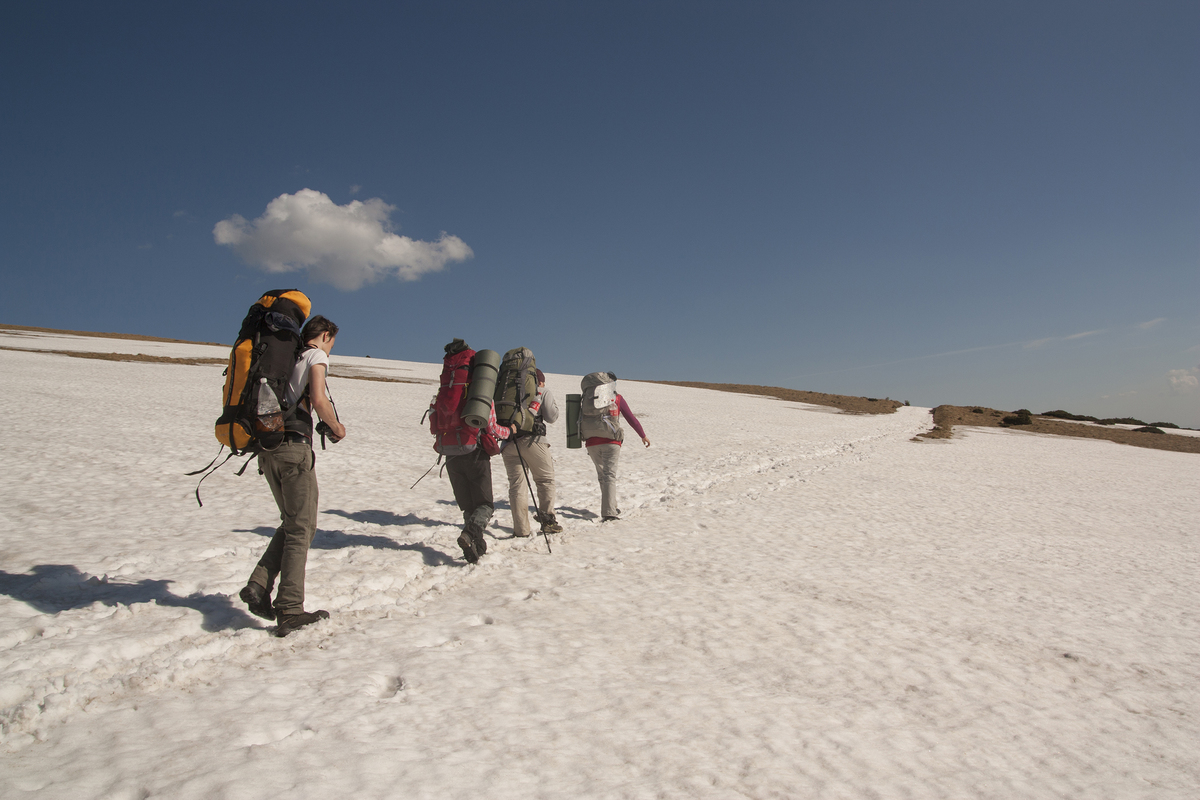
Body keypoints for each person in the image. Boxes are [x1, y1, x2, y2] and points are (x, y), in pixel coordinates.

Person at [239, 315, 346, 637]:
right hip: (294, 449)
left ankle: (259, 584)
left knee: (291, 521)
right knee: (302, 528)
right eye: (332, 342)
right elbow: (317, 398)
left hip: (267, 448)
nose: (331, 349)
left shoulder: (287, 358)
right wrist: (337, 427)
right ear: (325, 335)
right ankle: (289, 609)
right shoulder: (315, 355)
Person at [435, 341, 511, 564]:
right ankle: (470, 535)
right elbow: (492, 426)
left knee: (468, 506)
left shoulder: (447, 387)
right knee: (485, 505)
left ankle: (476, 545)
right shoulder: (479, 392)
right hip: (474, 452)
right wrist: (509, 432)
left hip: (449, 451)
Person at [578, 372, 649, 522]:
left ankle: (611, 506)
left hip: (591, 442)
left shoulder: (587, 398)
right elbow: (631, 418)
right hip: (611, 441)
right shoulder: (616, 398)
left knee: (602, 476)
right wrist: (642, 435)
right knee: (609, 475)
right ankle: (609, 512)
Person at [501, 368, 563, 537]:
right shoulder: (542, 391)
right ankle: (548, 522)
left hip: (508, 443)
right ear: (539, 381)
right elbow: (551, 417)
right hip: (533, 441)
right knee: (545, 480)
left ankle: (521, 530)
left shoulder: (508, 392)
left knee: (517, 486)